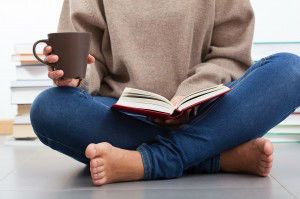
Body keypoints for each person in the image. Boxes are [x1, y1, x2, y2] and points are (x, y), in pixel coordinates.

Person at [30, 0, 300, 186]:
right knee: (49, 108)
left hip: (205, 109)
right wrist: (77, 78)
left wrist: (190, 94)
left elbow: (230, 55)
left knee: (291, 69)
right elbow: (90, 60)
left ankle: (149, 161)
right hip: (121, 114)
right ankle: (215, 156)